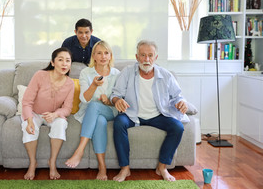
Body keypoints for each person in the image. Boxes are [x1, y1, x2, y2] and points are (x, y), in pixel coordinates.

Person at [110, 40, 189, 182]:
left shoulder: (166, 75)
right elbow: (115, 94)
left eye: (150, 55)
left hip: (158, 115)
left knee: (178, 127)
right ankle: (125, 168)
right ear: (137, 57)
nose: (146, 59)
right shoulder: (127, 72)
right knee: (118, 123)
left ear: (155, 58)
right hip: (132, 114)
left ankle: (162, 167)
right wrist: (117, 101)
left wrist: (180, 102)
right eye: (143, 55)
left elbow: (178, 96)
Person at [65, 41, 120, 180]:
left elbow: (119, 99)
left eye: (106, 53)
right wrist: (94, 85)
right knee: (99, 121)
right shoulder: (86, 72)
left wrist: (108, 101)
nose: (103, 56)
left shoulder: (117, 74)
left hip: (110, 111)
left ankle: (80, 150)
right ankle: (102, 167)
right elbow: (84, 99)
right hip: (90, 111)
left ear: (110, 56)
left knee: (95, 107)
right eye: (99, 53)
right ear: (93, 56)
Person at [21, 47, 75, 180]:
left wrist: (55, 114)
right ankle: (33, 162)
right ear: (52, 62)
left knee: (61, 123)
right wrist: (29, 120)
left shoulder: (70, 84)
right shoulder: (40, 75)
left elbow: (67, 108)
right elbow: (27, 101)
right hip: (35, 112)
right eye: (60, 60)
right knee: (28, 128)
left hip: (53, 115)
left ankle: (52, 162)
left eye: (67, 61)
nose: (64, 64)